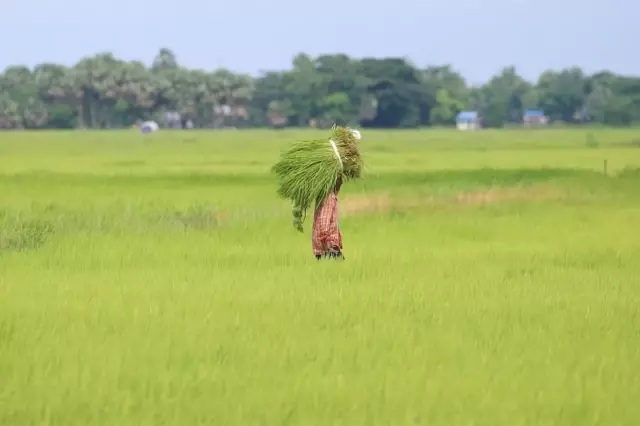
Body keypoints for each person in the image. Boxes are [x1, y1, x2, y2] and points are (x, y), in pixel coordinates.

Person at [312, 174, 344, 260]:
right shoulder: (329, 197)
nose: (341, 184)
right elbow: (324, 218)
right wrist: (328, 243)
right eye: (340, 182)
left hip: (323, 245)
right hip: (328, 245)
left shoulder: (323, 195)